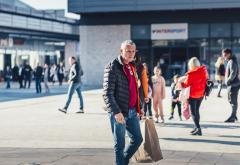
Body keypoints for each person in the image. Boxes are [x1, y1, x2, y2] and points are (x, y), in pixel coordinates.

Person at [103, 40, 143, 165]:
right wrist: (116, 112)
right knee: (119, 145)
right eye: (128, 51)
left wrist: (139, 107)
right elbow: (107, 93)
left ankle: (122, 162)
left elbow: (134, 89)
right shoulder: (112, 66)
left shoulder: (132, 66)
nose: (131, 54)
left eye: (133, 51)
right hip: (119, 112)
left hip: (132, 111)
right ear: (121, 51)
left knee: (137, 139)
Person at [180, 57, 208, 136]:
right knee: (197, 111)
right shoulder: (204, 71)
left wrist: (180, 83)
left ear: (191, 65)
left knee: (193, 112)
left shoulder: (191, 74)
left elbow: (186, 84)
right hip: (201, 94)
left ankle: (198, 128)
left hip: (193, 95)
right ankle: (196, 127)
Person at [222, 48, 240, 122]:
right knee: (231, 100)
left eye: (225, 55)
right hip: (233, 84)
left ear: (229, 54)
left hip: (233, 84)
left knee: (233, 101)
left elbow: (233, 73)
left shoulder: (232, 61)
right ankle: (234, 115)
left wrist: (228, 81)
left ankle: (233, 117)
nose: (224, 57)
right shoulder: (231, 60)